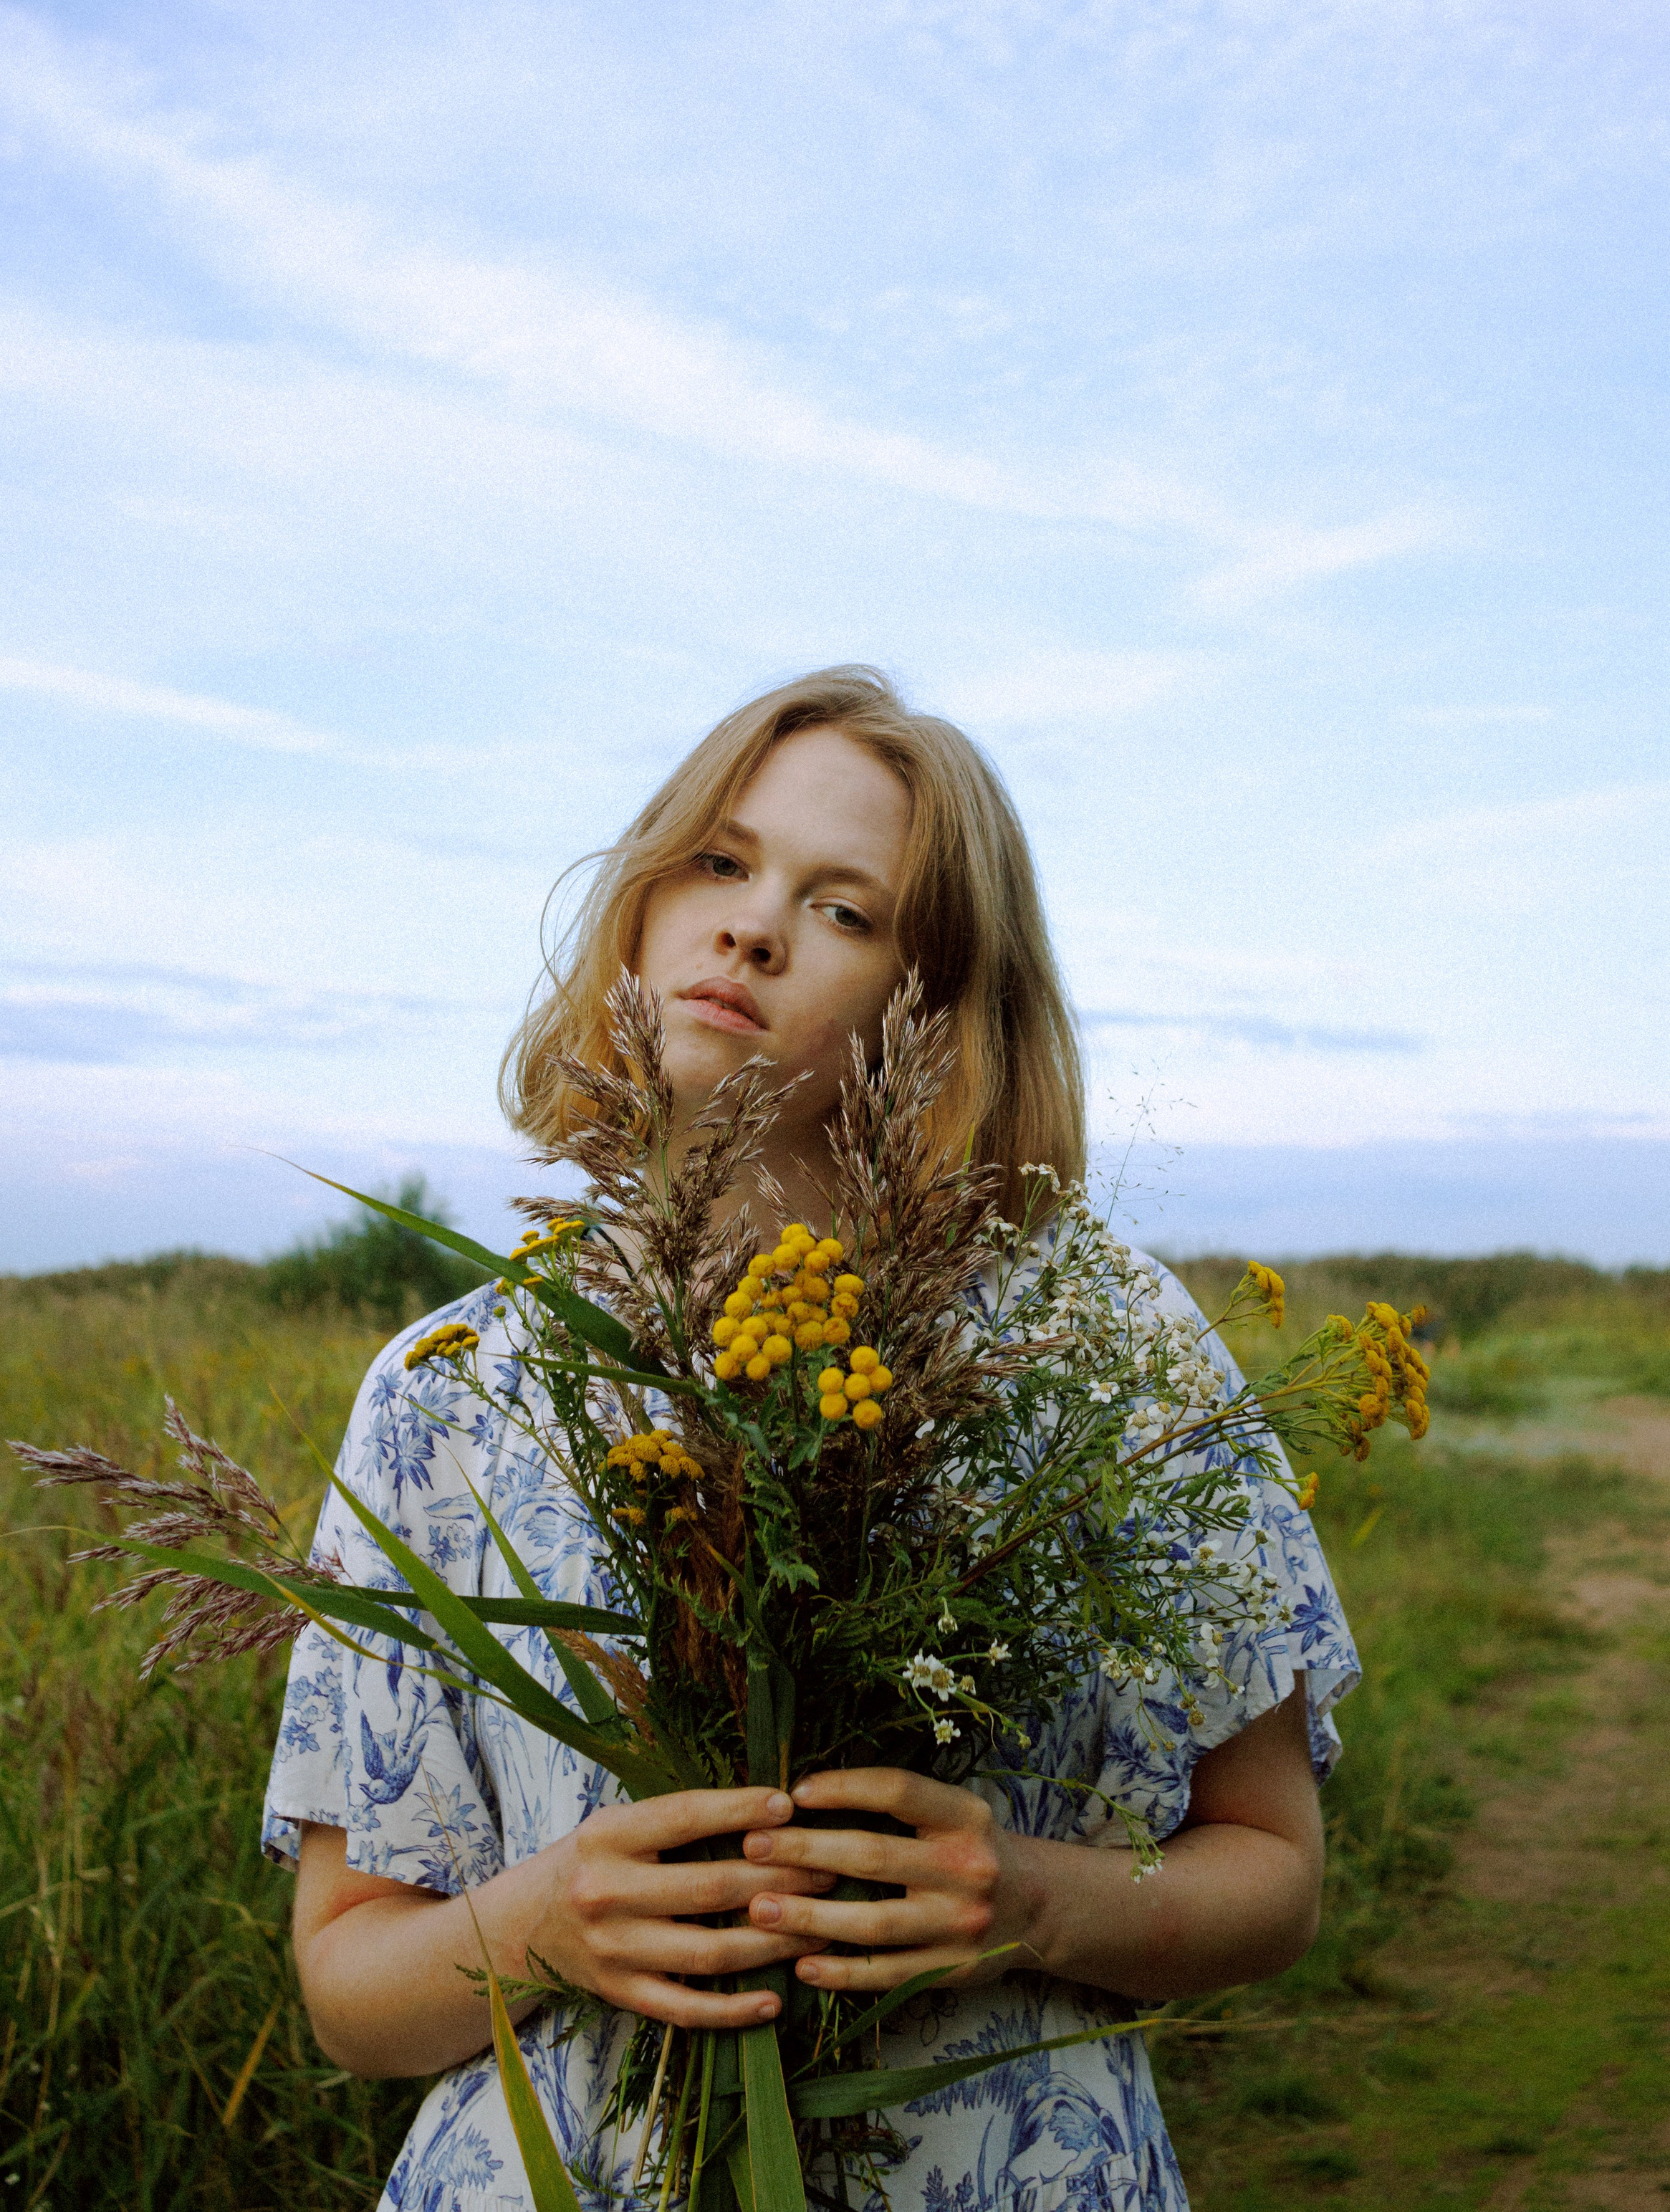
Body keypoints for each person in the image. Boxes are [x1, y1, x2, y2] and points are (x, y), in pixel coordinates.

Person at [263, 666, 1359, 2211]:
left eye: (845, 909)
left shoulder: (1108, 1344)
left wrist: (1028, 1899)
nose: (751, 926)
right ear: (640, 905)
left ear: (946, 1003)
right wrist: (549, 1922)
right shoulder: (450, 1381)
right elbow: (349, 1978)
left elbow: (1275, 1873)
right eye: (718, 861)